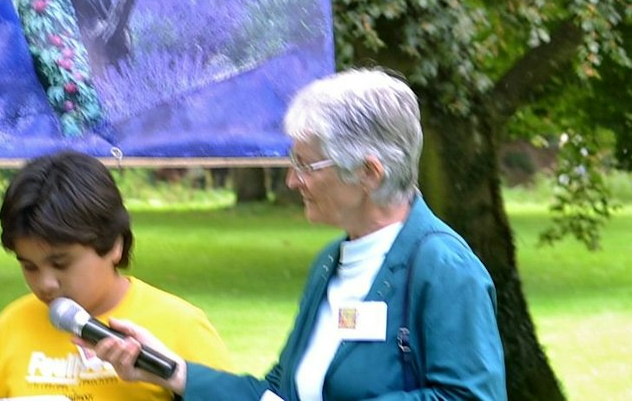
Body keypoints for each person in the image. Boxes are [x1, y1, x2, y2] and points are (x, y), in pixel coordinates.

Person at [85, 70, 507, 401]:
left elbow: (467, 396)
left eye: (306, 165)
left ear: (368, 173)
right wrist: (171, 369)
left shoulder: (443, 267)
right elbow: (280, 394)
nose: (291, 180)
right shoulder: (331, 262)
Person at [0, 150, 229, 399]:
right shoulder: (9, 327)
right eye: (29, 266)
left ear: (114, 245)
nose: (45, 284)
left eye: (61, 264)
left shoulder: (181, 327)